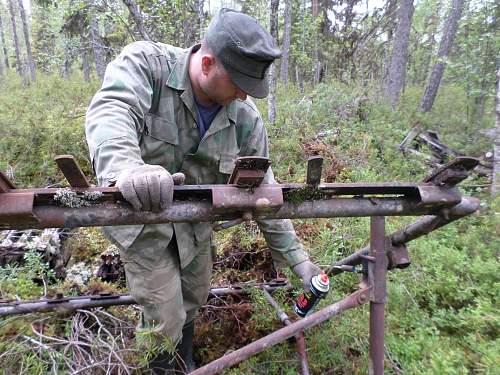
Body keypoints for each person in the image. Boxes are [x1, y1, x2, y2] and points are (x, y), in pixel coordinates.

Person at [85, 8, 321, 374]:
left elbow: (263, 188)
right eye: (239, 83)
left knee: (193, 299)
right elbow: (112, 110)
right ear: (207, 63)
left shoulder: (245, 119)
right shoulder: (147, 65)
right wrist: (125, 168)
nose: (244, 95)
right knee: (165, 315)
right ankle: (163, 366)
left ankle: (186, 358)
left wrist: (298, 261)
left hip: (195, 231)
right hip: (145, 226)